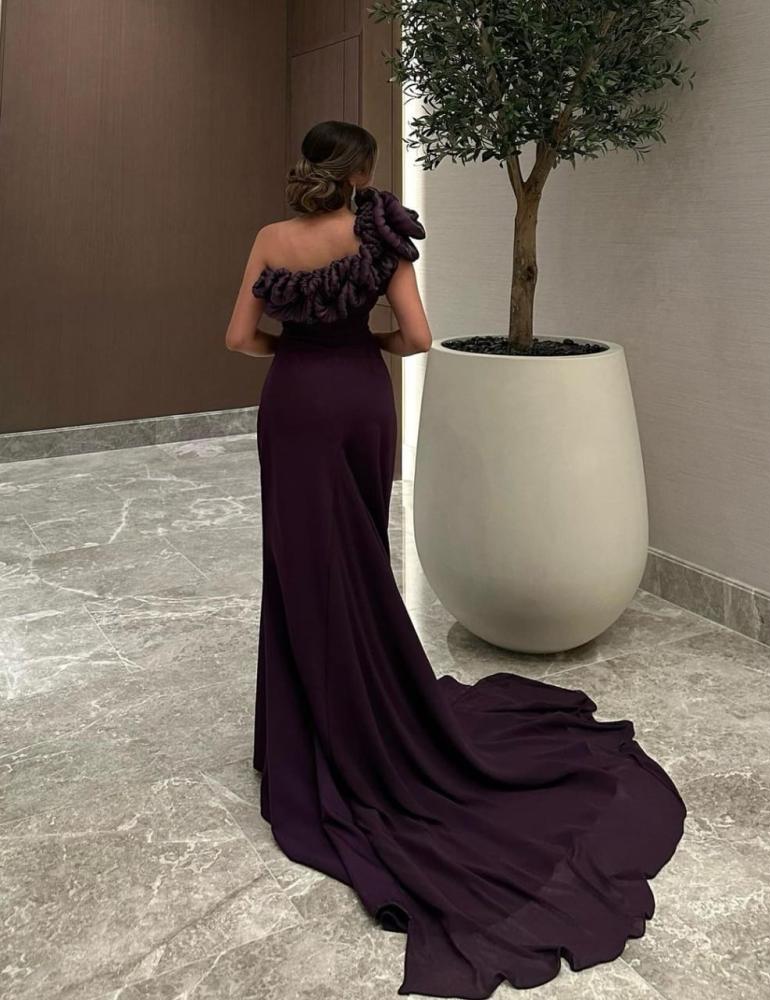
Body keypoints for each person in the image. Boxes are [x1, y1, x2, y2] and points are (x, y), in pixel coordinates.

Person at [224, 120, 686, 1000]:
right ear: (363, 171)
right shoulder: (379, 230)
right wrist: (357, 345)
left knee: (299, 566)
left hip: (293, 405)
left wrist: (299, 351)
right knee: (360, 554)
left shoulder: (270, 239)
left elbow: (241, 339)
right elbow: (417, 337)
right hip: (358, 400)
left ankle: (303, 730)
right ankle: (371, 705)